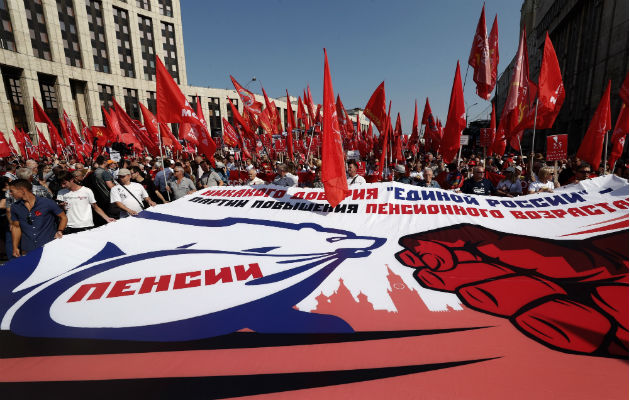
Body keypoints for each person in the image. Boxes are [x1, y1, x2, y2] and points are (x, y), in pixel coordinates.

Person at [9, 179, 67, 257]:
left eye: (12, 191)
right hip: (27, 248)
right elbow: (16, 227)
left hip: (49, 246)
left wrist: (60, 230)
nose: (10, 194)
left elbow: (63, 217)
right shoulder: (15, 207)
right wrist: (15, 247)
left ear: (22, 190)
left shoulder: (47, 202)